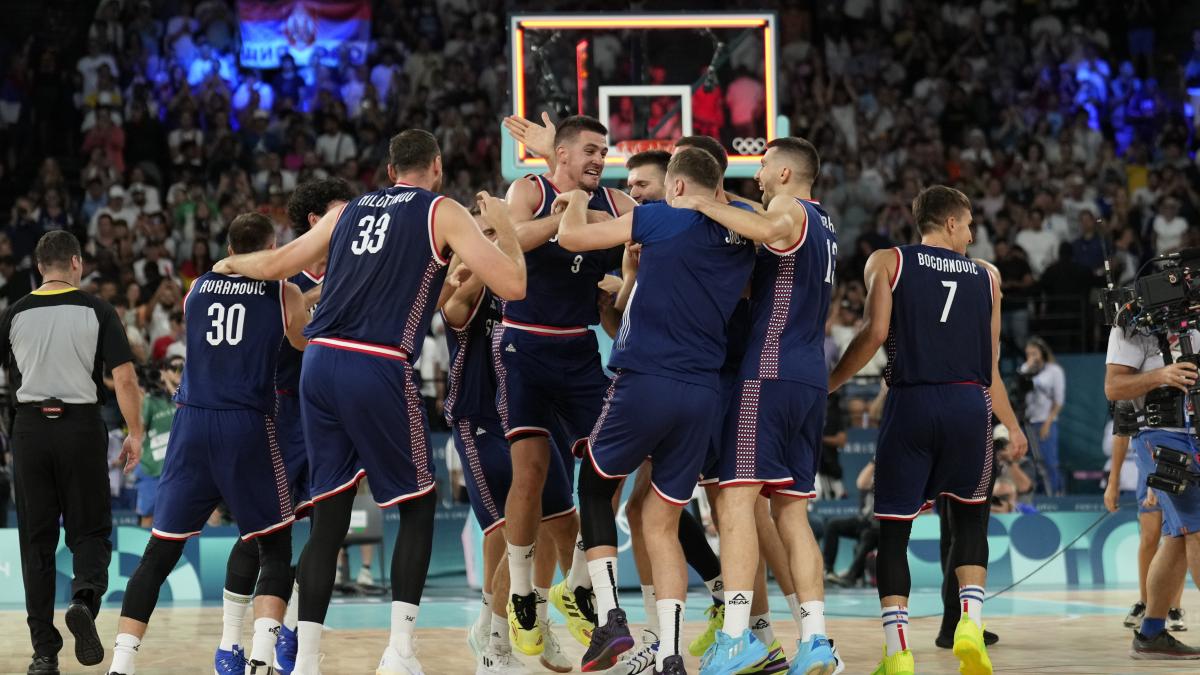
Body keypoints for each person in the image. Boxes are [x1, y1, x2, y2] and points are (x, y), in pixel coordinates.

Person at [214, 129, 527, 675]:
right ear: (436, 166)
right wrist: (502, 222)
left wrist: (228, 266)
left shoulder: (347, 212)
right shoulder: (442, 210)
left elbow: (276, 265)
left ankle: (306, 660)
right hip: (376, 361)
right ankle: (399, 654)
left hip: (318, 363)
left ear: (388, 171)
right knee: (418, 505)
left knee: (329, 516)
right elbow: (514, 284)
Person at [557, 147, 755, 674]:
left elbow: (572, 237)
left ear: (678, 187)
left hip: (646, 379)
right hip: (703, 393)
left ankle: (611, 617)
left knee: (595, 487)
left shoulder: (661, 219)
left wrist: (576, 199)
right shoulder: (745, 235)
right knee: (661, 521)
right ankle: (669, 654)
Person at [829, 185, 1027, 675]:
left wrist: (830, 383)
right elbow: (993, 366)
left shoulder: (888, 261)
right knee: (971, 521)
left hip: (911, 402)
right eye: (971, 223)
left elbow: (874, 335)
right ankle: (969, 624)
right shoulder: (988, 276)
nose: (974, 232)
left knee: (892, 533)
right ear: (953, 223)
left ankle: (897, 651)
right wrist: (1013, 425)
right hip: (969, 403)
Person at [106, 213, 309, 675]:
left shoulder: (197, 288)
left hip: (191, 424)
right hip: (246, 424)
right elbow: (300, 340)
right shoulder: (285, 292)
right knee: (275, 545)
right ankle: (260, 656)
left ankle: (121, 663)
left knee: (160, 551)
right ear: (271, 245)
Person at [675, 137, 839, 675]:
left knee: (736, 502)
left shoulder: (785, 212)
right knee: (792, 512)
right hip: (810, 378)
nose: (759, 173)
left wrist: (702, 202)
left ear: (787, 174)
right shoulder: (825, 225)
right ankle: (816, 640)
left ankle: (738, 636)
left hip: (767, 372)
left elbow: (769, 226)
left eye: (765, 165)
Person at [497, 114, 635, 655]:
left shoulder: (618, 204)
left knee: (612, 460)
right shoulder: (530, 189)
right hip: (522, 343)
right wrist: (562, 217)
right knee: (529, 472)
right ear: (562, 154)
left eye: (605, 151)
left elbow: (647, 236)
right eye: (591, 150)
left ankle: (576, 583)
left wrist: (624, 277)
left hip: (578, 348)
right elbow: (507, 239)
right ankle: (522, 594)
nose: (600, 159)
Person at [0, 231, 143, 675]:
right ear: (77, 264)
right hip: (80, 428)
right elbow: (123, 378)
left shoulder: (14, 313)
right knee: (90, 531)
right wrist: (134, 432)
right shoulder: (97, 309)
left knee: (36, 544)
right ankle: (83, 598)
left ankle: (44, 654)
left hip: (29, 432)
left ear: (40, 267)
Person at [441, 214, 578, 674]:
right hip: (478, 419)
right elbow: (454, 300)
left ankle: (534, 619)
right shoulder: (467, 298)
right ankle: (490, 633)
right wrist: (489, 242)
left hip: (532, 416)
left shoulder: (528, 294)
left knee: (560, 521)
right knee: (506, 527)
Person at [241, 178, 355, 675]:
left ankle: (295, 633)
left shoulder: (356, 260)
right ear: (316, 221)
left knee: (327, 528)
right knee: (271, 533)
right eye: (340, 209)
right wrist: (329, 289)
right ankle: (247, 641)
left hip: (332, 408)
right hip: (283, 411)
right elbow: (293, 328)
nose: (353, 215)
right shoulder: (284, 270)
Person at [1104, 320, 1200, 659]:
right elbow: (1113, 388)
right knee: (1193, 530)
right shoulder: (1134, 322)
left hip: (1194, 432)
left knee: (1176, 538)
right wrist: (1162, 375)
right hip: (1162, 437)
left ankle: (1151, 632)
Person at [1104, 403, 1188, 633]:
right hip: (1149, 460)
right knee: (1150, 537)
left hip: (1181, 457)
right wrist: (1113, 483)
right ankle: (1145, 602)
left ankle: (1173, 606)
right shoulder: (1128, 387)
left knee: (1178, 536)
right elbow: (1121, 434)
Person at [134, 356, 184, 529]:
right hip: (152, 468)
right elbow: (138, 429)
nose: (179, 371)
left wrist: (170, 384)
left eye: (182, 367)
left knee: (182, 518)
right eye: (174, 367)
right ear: (164, 371)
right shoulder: (150, 400)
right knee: (148, 517)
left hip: (178, 469)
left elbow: (183, 405)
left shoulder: (187, 394)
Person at [1020, 337, 1067, 495]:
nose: (1031, 357)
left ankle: (1054, 496)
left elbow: (1058, 401)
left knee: (1048, 462)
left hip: (1045, 423)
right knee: (1031, 464)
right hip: (1027, 423)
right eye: (1028, 354)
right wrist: (1028, 367)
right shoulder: (1025, 369)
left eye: (1034, 353)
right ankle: (1036, 498)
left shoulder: (1054, 371)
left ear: (1042, 353)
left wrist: (1048, 423)